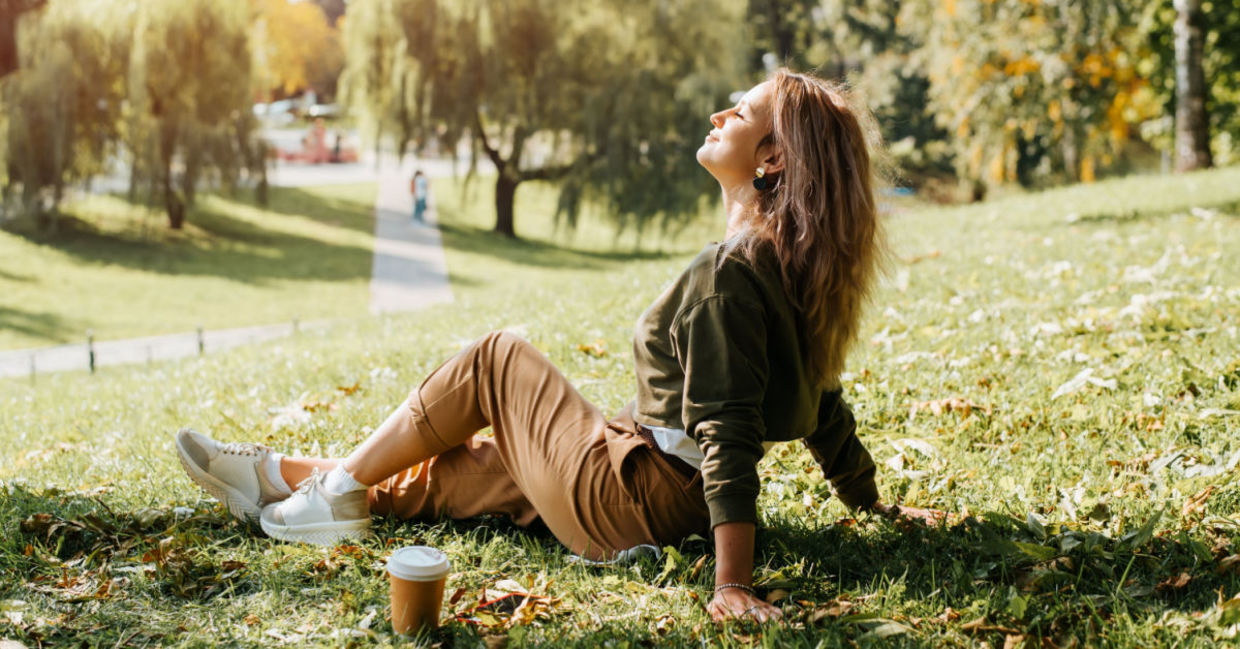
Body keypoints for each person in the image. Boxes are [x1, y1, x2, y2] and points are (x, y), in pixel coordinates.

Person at [174, 69, 942, 623]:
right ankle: (280, 479)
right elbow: (824, 405)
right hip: (649, 489)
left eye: (740, 112)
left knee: (495, 357)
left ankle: (330, 492)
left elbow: (729, 430)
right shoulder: (784, 264)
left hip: (641, 497)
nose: (718, 113)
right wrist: (874, 503)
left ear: (772, 158)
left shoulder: (733, 270)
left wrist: (730, 582)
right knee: (466, 470)